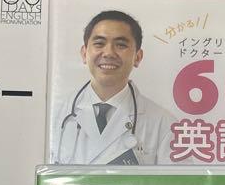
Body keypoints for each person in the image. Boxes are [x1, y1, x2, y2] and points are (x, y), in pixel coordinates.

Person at [50, 9, 173, 164]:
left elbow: (177, 179)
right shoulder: (56, 115)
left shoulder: (163, 123)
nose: (108, 53)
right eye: (99, 44)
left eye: (121, 45)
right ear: (84, 53)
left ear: (137, 57)